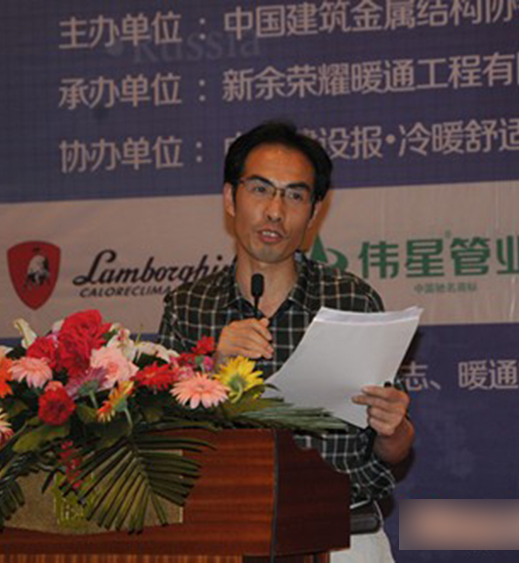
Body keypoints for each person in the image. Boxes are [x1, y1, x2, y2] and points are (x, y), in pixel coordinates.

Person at [157, 120, 414, 562]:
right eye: (260, 189)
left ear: (314, 212)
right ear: (230, 198)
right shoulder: (189, 305)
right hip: (225, 540)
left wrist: (395, 426)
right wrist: (211, 372)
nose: (275, 211)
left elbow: (394, 448)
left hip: (344, 539)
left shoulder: (352, 300)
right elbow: (161, 443)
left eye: (295, 196)